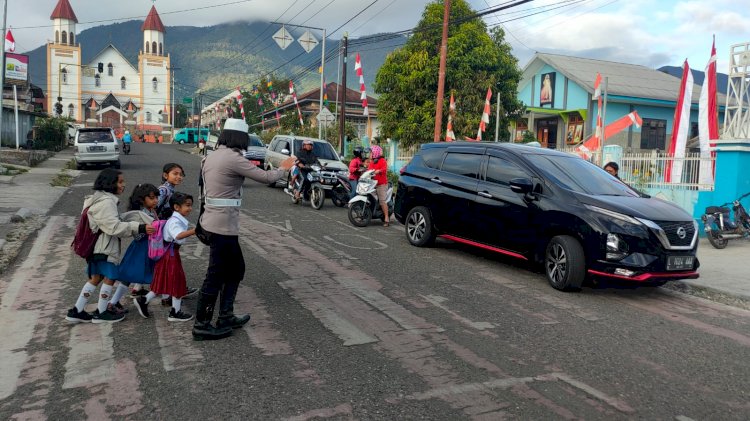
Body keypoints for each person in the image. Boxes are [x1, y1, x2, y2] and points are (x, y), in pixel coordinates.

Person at [193, 118, 293, 340]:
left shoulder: (212, 155)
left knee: (236, 269)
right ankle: (202, 324)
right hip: (222, 227)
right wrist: (283, 168)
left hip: (214, 222)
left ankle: (226, 316)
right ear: (239, 138)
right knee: (215, 275)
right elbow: (265, 177)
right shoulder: (232, 158)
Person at [65, 169, 155, 324]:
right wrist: (139, 227)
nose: (123, 185)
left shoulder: (97, 200)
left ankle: (77, 311)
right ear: (109, 183)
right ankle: (102, 311)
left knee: (96, 277)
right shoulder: (106, 203)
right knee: (110, 277)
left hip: (95, 247)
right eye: (120, 182)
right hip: (103, 247)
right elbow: (113, 227)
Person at [134, 192, 196, 322]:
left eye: (191, 205)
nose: (190, 208)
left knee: (163, 281)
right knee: (177, 281)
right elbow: (178, 235)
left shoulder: (175, 219)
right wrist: (194, 231)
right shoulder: (174, 221)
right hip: (171, 255)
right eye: (187, 205)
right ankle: (175, 312)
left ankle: (144, 300)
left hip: (167, 254)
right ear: (177, 207)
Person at [106, 183, 160, 313]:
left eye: (156, 198)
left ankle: (114, 302)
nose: (156, 201)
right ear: (142, 199)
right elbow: (138, 233)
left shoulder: (149, 211)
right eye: (152, 198)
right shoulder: (140, 214)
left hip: (143, 248)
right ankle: (144, 300)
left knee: (128, 276)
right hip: (143, 248)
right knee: (155, 274)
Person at [367, 145, 390, 227]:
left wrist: (379, 171)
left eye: (371, 153)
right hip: (373, 183)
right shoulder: (372, 162)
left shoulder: (382, 161)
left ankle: (387, 217)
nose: (370, 154)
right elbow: (369, 170)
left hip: (381, 184)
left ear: (375, 153)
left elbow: (384, 169)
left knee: (382, 201)